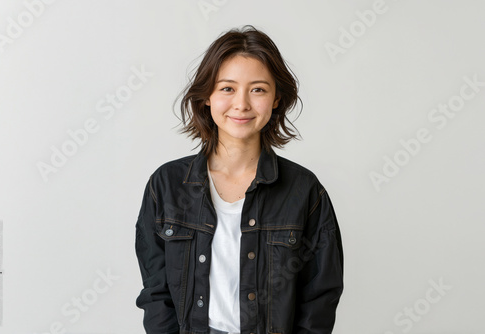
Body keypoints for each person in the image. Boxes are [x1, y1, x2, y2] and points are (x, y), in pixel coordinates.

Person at [134, 25, 344, 334]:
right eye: (227, 88)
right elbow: (156, 293)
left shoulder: (304, 190)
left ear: (275, 99)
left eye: (258, 89)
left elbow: (319, 299)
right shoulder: (166, 185)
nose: (242, 104)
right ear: (207, 95)